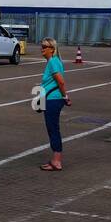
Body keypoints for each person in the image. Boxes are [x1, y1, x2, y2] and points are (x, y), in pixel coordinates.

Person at [38, 37, 71, 171]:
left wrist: (65, 96)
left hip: (53, 100)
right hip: (51, 99)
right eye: (42, 46)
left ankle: (57, 161)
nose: (42, 49)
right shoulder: (53, 61)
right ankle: (55, 159)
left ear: (52, 49)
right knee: (52, 129)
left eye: (44, 47)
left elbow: (60, 81)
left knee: (53, 129)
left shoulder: (53, 62)